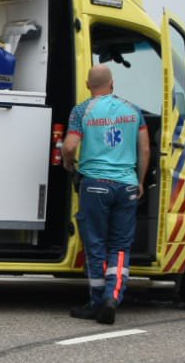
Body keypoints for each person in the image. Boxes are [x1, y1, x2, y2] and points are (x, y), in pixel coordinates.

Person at [61, 63, 150, 325]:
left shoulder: (81, 111)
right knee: (120, 246)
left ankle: (96, 302)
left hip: (95, 185)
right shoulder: (133, 111)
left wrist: (69, 164)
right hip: (127, 185)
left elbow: (69, 146)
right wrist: (140, 181)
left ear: (89, 86)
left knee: (96, 245)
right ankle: (113, 297)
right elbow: (144, 150)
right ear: (113, 84)